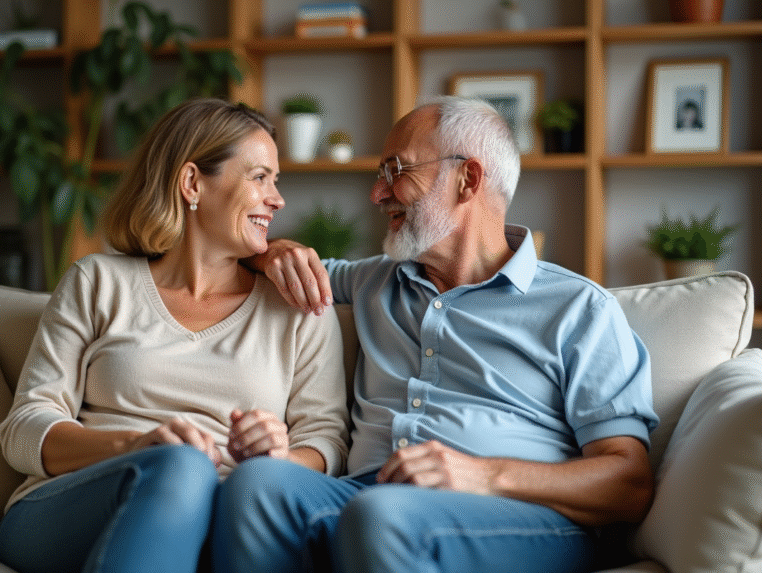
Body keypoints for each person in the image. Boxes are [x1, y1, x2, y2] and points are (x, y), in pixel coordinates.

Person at [213, 96, 659, 573]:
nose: (377, 194)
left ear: (468, 179)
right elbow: (269, 264)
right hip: (365, 498)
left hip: (520, 517)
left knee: (383, 515)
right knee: (256, 485)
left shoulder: (579, 309)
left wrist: (484, 474)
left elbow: (628, 483)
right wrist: (275, 250)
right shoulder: (374, 280)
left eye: (395, 170)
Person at [0, 98, 349, 573]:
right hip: (73, 507)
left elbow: (327, 442)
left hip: (224, 514)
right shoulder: (97, 282)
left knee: (193, 476)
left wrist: (280, 457)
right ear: (191, 182)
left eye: (276, 181)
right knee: (182, 465)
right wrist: (136, 447)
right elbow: (24, 429)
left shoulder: (299, 306)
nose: (278, 199)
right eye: (260, 177)